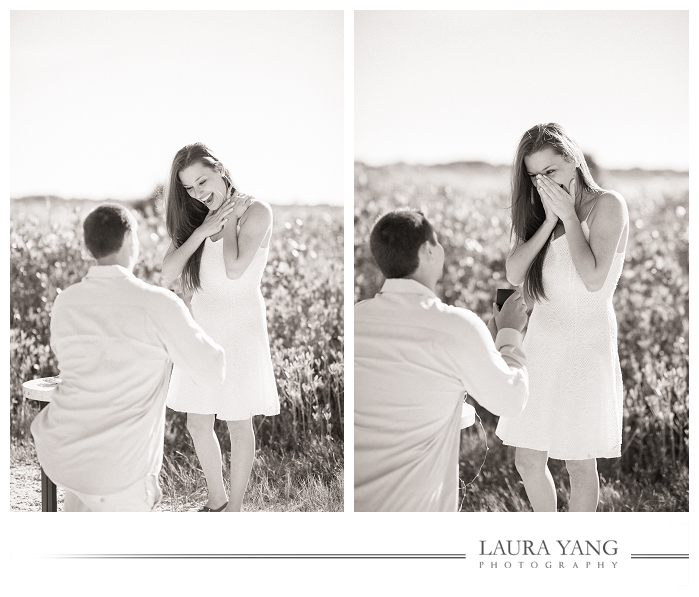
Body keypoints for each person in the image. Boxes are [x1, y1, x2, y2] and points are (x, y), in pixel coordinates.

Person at [31, 204, 225, 512]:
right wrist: (187, 317)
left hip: (63, 453)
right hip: (120, 473)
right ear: (131, 241)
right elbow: (211, 371)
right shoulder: (158, 304)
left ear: (87, 247)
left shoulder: (65, 303)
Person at [354, 209, 529, 512]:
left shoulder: (357, 317)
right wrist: (510, 334)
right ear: (427, 250)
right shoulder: (457, 326)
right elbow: (511, 400)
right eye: (437, 241)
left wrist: (483, 344)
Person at [496, 123, 629, 512]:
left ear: (572, 160)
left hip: (586, 343)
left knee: (578, 463)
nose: (542, 183)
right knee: (527, 460)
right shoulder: (543, 213)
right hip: (542, 345)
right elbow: (514, 272)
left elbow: (591, 278)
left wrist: (571, 219)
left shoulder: (609, 205)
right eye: (534, 176)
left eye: (550, 172)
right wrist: (551, 222)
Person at [162, 143, 279, 512]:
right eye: (190, 189)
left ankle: (236, 509)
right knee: (198, 422)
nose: (198, 193)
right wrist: (203, 231)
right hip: (202, 329)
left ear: (220, 170)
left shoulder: (257, 211)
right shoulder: (196, 220)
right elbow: (167, 274)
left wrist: (228, 221)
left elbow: (234, 268)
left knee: (237, 422)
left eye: (203, 181)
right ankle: (217, 499)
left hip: (241, 327)